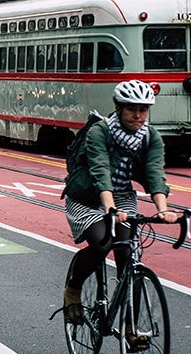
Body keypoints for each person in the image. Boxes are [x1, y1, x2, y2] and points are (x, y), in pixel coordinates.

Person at [61, 80, 177, 335]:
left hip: (122, 196)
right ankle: (73, 289)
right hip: (87, 197)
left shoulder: (150, 137)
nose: (138, 116)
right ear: (118, 108)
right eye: (131, 110)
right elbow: (100, 170)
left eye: (143, 110)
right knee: (103, 243)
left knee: (127, 254)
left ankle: (131, 328)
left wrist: (163, 209)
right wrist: (110, 209)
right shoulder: (99, 131)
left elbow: (155, 173)